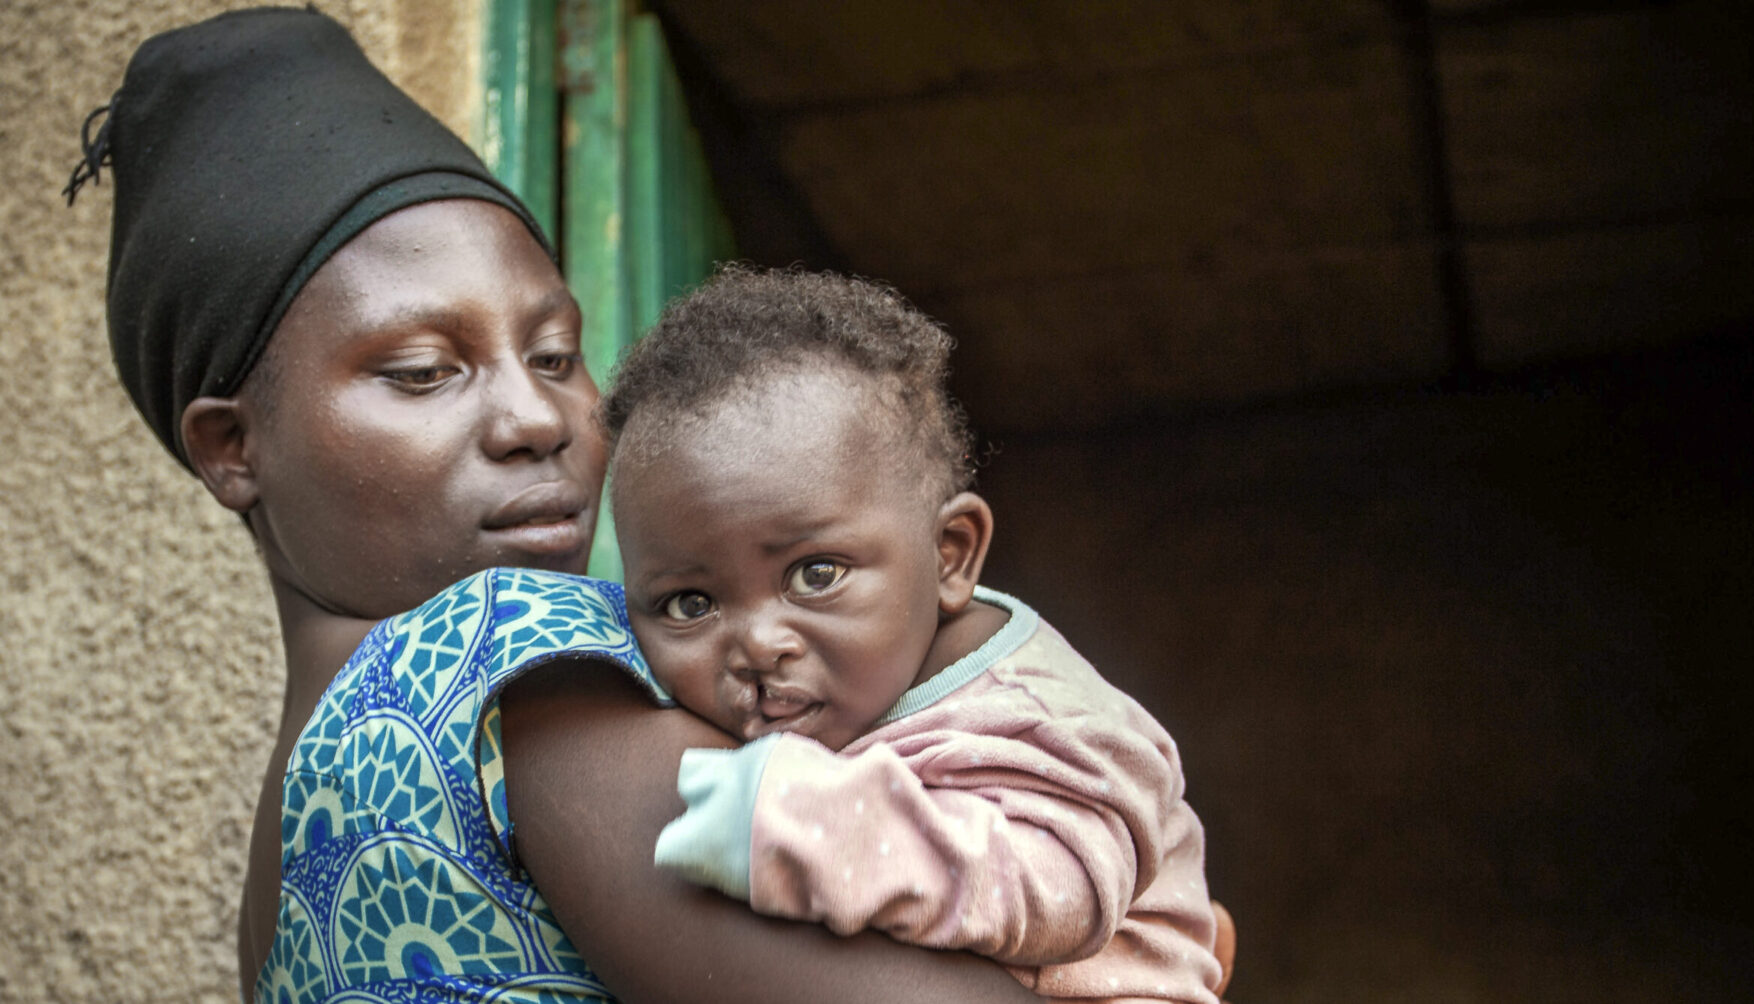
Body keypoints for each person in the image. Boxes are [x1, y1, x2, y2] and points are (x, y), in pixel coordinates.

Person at [76, 8, 1047, 1002]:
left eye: (552, 355)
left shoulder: (283, 866)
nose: (537, 416)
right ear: (232, 447)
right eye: (422, 371)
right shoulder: (517, 664)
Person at [599, 267, 1222, 1002]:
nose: (758, 644)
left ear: (949, 555)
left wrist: (804, 824)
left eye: (815, 574)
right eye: (689, 603)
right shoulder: (844, 691)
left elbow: (1066, 890)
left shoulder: (1039, 712)